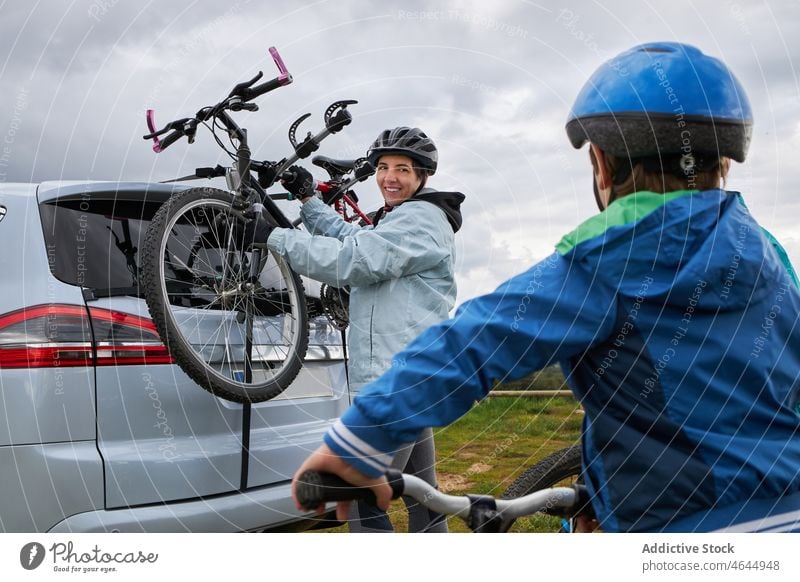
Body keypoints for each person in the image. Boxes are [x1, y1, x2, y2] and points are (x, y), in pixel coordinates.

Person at [291, 42, 800, 533]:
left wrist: (356, 441)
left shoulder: (610, 259)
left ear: (600, 162)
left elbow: (473, 343)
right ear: (726, 161)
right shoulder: (769, 255)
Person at [261, 127, 465, 532]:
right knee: (424, 496)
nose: (389, 177)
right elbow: (356, 237)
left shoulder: (421, 220)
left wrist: (276, 238)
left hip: (397, 381)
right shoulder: (407, 216)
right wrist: (309, 201)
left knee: (359, 496)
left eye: (402, 169)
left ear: (423, 175)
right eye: (384, 167)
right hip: (411, 376)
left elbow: (357, 261)